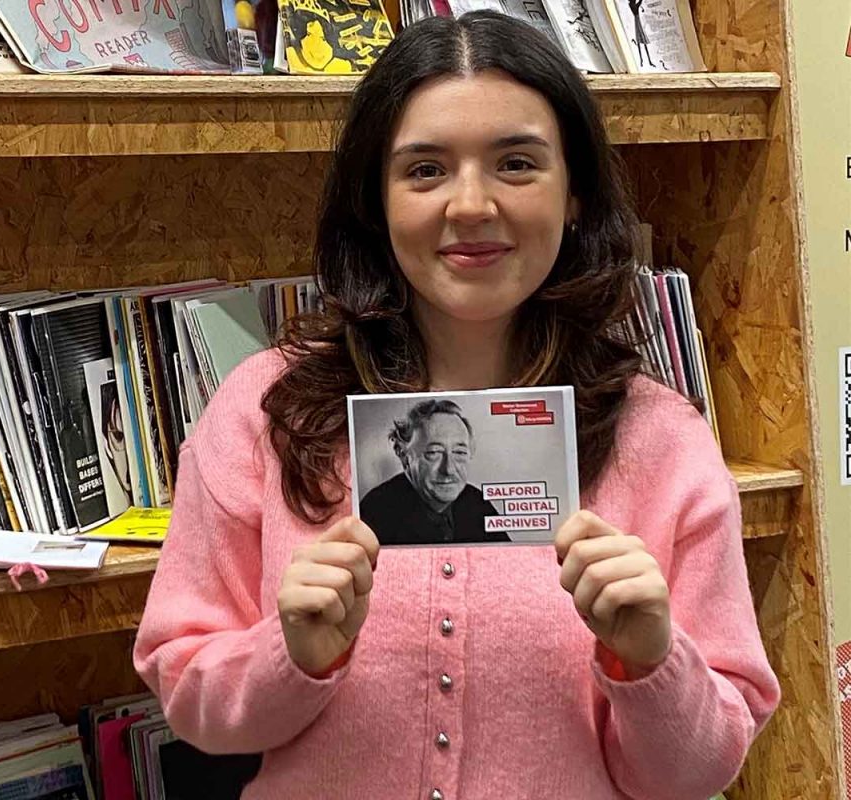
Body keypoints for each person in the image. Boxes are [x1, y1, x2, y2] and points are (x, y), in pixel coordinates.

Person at [133, 12, 779, 800]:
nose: (471, 205)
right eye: (425, 170)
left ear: (574, 193)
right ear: (376, 200)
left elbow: (697, 773)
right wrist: (290, 654)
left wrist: (650, 658)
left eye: (516, 163)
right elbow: (190, 700)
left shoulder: (660, 438)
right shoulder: (268, 412)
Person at [358, 399, 506, 545]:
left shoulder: (477, 503)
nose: (449, 469)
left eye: (459, 452)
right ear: (404, 455)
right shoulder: (375, 513)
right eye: (434, 452)